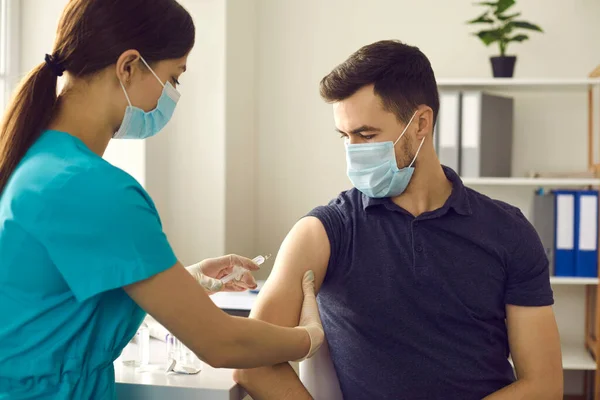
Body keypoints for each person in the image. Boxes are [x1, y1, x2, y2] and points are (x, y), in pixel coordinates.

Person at [0, 1, 324, 399]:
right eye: (174, 77)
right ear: (129, 66)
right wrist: (306, 338)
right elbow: (221, 343)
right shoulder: (93, 187)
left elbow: (58, 302)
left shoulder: (36, 160)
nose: (172, 95)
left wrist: (188, 280)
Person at [234, 40, 563, 399]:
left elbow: (544, 385)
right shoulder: (323, 234)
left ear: (420, 122)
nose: (353, 152)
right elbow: (252, 362)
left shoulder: (509, 232)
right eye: (345, 137)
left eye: (367, 135)